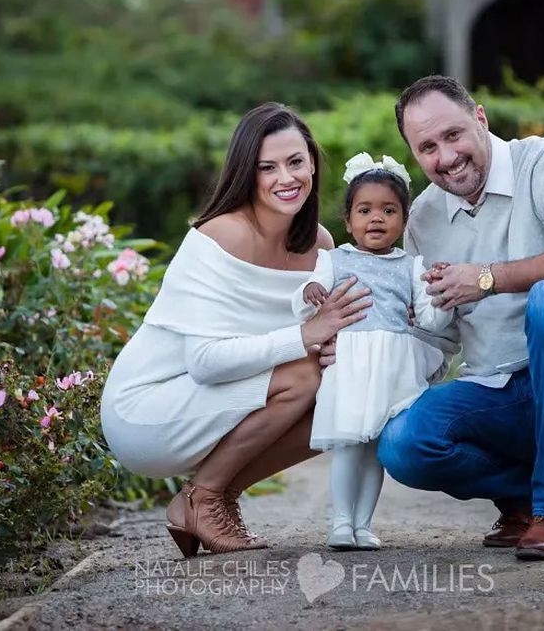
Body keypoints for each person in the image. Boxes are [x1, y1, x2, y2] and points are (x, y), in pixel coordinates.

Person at [371, 75, 544, 560]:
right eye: (427, 147)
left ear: (480, 117)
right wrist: (357, 342)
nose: (446, 157)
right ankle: (525, 499)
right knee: (403, 444)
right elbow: (435, 341)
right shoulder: (425, 219)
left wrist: (487, 278)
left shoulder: (542, 162)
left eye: (452, 135)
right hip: (503, 396)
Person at [100, 102, 371, 558]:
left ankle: (212, 497)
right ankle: (203, 498)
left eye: (295, 162)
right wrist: (307, 338)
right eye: (268, 167)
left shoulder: (321, 246)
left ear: (312, 164)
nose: (286, 178)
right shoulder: (220, 235)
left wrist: (336, 343)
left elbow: (329, 328)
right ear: (247, 173)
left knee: (342, 393)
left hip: (207, 401)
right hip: (147, 407)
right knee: (304, 374)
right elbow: (205, 363)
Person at [293, 154, 452, 551]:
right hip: (350, 365)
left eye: (388, 210)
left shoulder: (411, 266)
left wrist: (443, 297)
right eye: (364, 210)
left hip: (392, 367)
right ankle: (341, 522)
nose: (376, 218)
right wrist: (311, 292)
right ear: (348, 221)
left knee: (375, 451)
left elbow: (430, 322)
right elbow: (308, 299)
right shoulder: (334, 259)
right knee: (349, 446)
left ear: (404, 219)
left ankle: (364, 524)